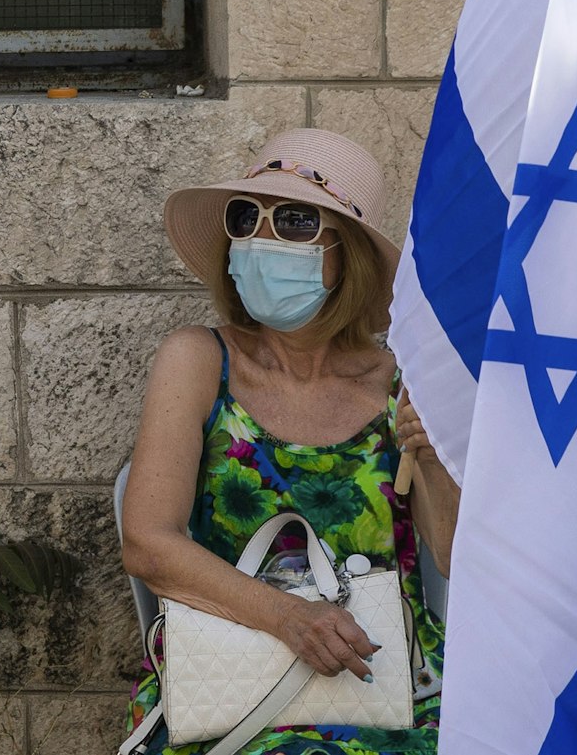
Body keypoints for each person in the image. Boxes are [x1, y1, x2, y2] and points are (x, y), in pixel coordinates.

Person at [120, 128, 462, 755]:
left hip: (391, 684)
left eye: (298, 221)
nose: (262, 238)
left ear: (348, 254)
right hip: (227, 688)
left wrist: (436, 454)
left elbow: (453, 557)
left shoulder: (403, 381)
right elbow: (147, 543)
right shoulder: (198, 360)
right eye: (247, 216)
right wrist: (289, 619)